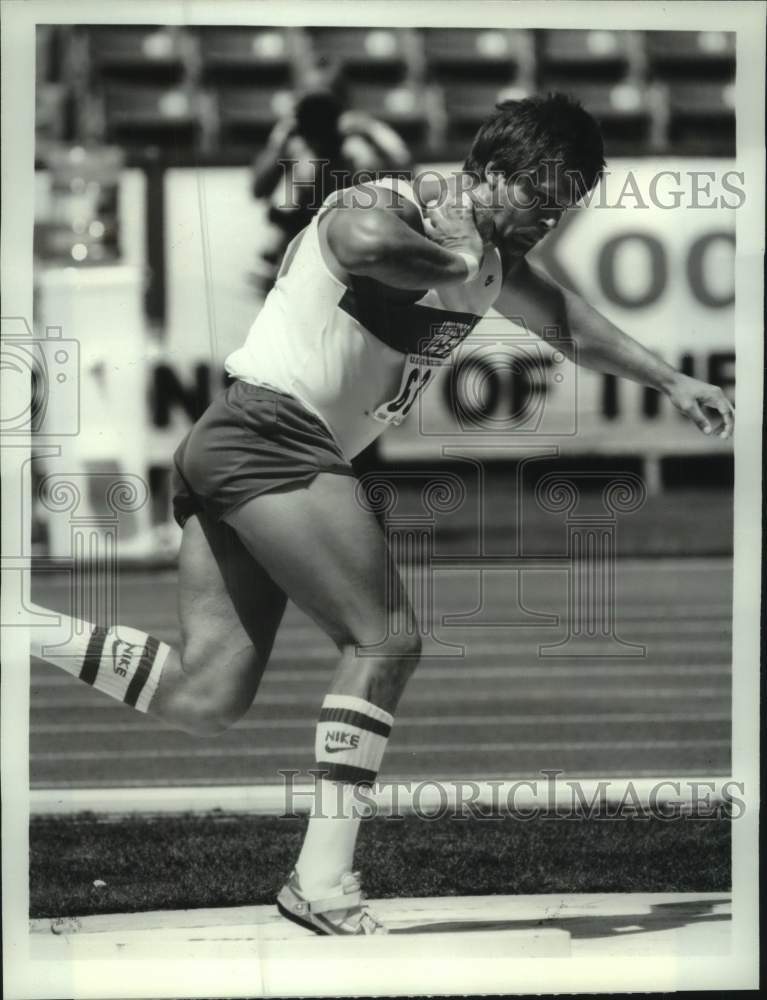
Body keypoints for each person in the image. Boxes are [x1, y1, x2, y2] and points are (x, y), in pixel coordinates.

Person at [29, 94, 734, 936]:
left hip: (248, 443)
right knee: (385, 640)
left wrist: (671, 380)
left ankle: (16, 626)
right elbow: (358, 240)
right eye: (540, 197)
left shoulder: (493, 260)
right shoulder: (395, 201)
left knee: (207, 693)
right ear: (486, 175)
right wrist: (454, 253)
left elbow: (572, 324)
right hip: (272, 434)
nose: (549, 217)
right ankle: (319, 886)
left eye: (565, 204)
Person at [250, 74, 411, 293]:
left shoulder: (363, 133)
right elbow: (258, 190)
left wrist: (366, 148)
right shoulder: (291, 135)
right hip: (306, 220)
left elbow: (407, 171)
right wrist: (283, 148)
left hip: (358, 221)